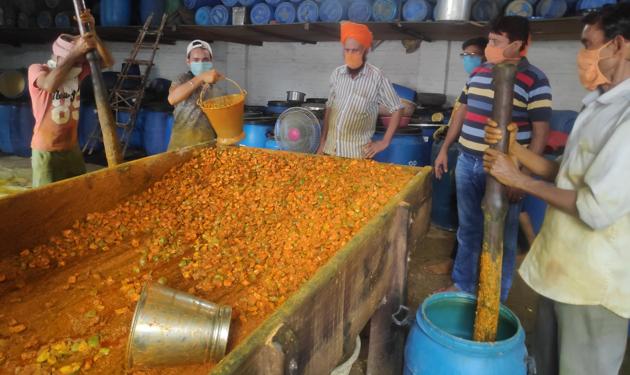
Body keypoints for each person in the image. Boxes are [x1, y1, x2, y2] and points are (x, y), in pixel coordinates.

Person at [483, 4, 630, 374]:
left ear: (621, 46)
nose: (582, 55)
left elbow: (594, 208)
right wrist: (515, 152)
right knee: (546, 362)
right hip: (564, 272)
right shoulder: (599, 104)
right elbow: (564, 173)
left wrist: (518, 180)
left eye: (588, 44)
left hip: (596, 286)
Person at [443, 16, 552, 302]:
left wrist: (523, 177)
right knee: (468, 229)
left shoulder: (535, 79)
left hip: (503, 169)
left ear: (517, 45)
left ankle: (495, 297)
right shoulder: (479, 73)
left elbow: (540, 133)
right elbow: (461, 112)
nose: (488, 47)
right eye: (489, 40)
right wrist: (445, 148)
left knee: (502, 234)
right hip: (467, 160)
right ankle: (463, 284)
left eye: (495, 42)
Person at [27, 10, 113, 188]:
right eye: (77, 62)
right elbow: (50, 85)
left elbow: (107, 62)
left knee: (78, 192)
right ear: (61, 57)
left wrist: (93, 34)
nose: (80, 66)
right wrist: (75, 53)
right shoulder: (37, 69)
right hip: (46, 151)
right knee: (46, 200)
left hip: (72, 148)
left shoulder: (77, 74)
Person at [426, 36, 488, 276]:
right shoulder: (473, 79)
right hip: (467, 154)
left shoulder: (501, 79)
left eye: (471, 55)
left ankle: (474, 272)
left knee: (484, 218)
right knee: (467, 217)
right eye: (464, 55)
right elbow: (460, 113)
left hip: (490, 160)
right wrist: (444, 148)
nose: (467, 60)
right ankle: (457, 266)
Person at [317, 22, 403, 159]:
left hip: (357, 156)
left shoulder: (377, 77)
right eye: (347, 50)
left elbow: (397, 108)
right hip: (330, 152)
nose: (350, 54)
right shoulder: (336, 74)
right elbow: (330, 108)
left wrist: (384, 142)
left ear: (365, 51)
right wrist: (322, 143)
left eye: (355, 50)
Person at [167, 39, 224, 151]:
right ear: (188, 61)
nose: (201, 63)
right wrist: (201, 77)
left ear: (211, 61)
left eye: (205, 59)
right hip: (181, 148)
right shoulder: (182, 80)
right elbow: (172, 99)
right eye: (196, 60)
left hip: (207, 148)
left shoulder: (215, 88)